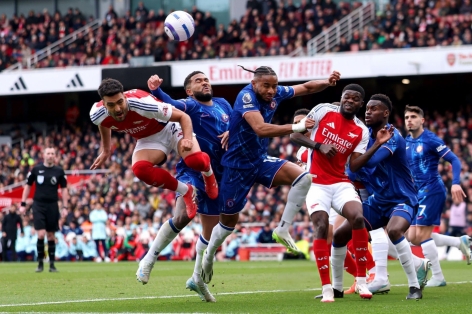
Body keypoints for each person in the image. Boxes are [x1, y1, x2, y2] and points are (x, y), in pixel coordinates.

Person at [201, 66, 340, 287]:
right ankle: (209, 255)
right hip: (237, 167)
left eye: (275, 86)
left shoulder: (274, 92)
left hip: (260, 160)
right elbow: (260, 129)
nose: (272, 90)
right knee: (228, 223)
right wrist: (297, 125)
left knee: (304, 177)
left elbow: (305, 87)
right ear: (254, 83)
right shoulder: (246, 96)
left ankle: (282, 229)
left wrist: (327, 81)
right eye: (266, 86)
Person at [290, 85, 394, 302]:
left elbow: (354, 166)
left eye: (355, 99)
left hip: (340, 182)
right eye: (347, 97)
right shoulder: (322, 110)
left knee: (358, 217)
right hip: (316, 182)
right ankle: (327, 287)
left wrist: (377, 145)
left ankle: (362, 282)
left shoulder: (361, 130)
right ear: (341, 98)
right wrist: (318, 145)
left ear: (360, 103)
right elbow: (295, 135)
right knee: (321, 226)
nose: (350, 101)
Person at [135, 72, 232, 303]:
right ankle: (149, 258)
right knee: (183, 216)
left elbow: (240, 121)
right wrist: (156, 90)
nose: (205, 82)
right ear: (189, 91)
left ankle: (197, 279)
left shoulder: (223, 104)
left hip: (221, 174)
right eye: (198, 81)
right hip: (193, 171)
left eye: (206, 79)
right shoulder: (190, 105)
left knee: (210, 234)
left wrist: (233, 131)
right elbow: (170, 104)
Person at [334, 94, 425, 300]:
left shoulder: (392, 135)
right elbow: (353, 172)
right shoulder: (363, 136)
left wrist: (351, 157)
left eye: (374, 109)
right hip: (378, 201)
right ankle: (336, 288)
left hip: (402, 198)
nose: (368, 111)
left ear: (385, 113)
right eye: (367, 108)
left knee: (393, 230)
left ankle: (414, 287)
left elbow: (372, 162)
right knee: (340, 235)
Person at [89, 78, 219, 221]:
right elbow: (103, 123)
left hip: (171, 127)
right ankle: (186, 191)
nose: (118, 109)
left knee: (195, 161)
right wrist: (106, 150)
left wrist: (187, 139)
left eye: (120, 102)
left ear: (125, 97)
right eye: (111, 105)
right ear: (104, 105)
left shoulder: (143, 104)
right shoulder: (97, 113)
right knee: (139, 169)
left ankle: (208, 173)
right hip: (148, 138)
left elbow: (183, 116)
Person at [292, 108, 375, 298]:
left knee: (339, 232)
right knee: (330, 236)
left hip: (338, 188)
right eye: (297, 122)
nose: (301, 125)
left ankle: (366, 273)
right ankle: (339, 284)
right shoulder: (301, 149)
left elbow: (351, 159)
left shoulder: (327, 132)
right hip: (317, 190)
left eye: (303, 121)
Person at [404, 105, 471, 287]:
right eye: (407, 117)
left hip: (432, 189)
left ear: (422, 120)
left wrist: (455, 183)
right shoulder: (406, 141)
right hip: (416, 193)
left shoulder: (431, 140)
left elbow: (454, 160)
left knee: (423, 235)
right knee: (412, 237)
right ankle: (459, 242)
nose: (409, 120)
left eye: (413, 117)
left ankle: (439, 277)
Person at [19, 146, 68, 272]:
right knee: (41, 234)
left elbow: (64, 189)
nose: (50, 155)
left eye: (52, 153)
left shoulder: (59, 171)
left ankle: (51, 265)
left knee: (51, 236)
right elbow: (28, 186)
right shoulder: (36, 169)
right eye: (48, 153)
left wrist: (65, 206)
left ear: (55, 155)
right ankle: (40, 263)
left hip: (53, 205)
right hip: (39, 205)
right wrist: (23, 203)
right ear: (44, 155)